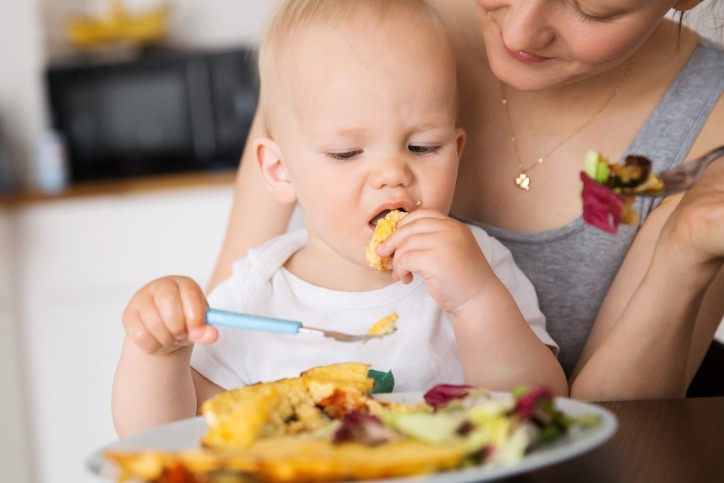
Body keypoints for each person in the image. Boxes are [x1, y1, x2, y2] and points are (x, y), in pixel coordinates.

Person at [209, 0, 724, 402]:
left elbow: (586, 428)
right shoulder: (349, 33)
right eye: (346, 152)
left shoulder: (710, 120)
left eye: (592, 7)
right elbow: (215, 356)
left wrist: (683, 252)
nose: (520, 31)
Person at [112, 0, 567, 437]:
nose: (393, 174)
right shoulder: (258, 292)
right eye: (347, 153)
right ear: (280, 170)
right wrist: (157, 355)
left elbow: (545, 409)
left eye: (423, 147)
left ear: (457, 151)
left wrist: (476, 300)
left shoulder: (477, 264)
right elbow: (171, 431)